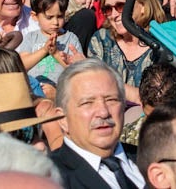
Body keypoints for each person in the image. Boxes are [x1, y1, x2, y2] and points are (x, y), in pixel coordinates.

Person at [47, 60, 144, 189]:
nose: (103, 112)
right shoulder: (48, 178)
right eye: (87, 103)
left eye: (111, 100)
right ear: (63, 118)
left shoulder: (150, 160)